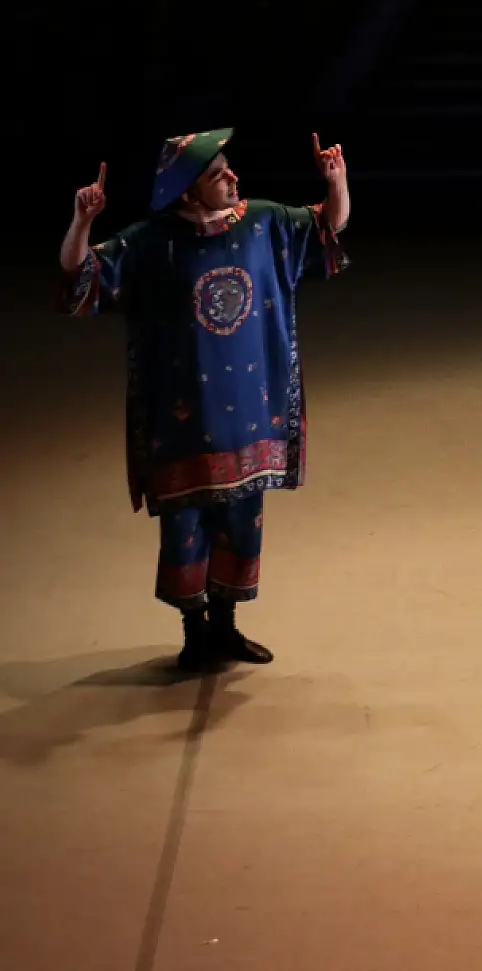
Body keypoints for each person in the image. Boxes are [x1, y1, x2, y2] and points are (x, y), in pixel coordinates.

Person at [59, 129, 350, 672]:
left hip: (250, 418)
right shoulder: (153, 242)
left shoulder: (262, 222)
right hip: (183, 421)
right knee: (185, 528)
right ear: (189, 191)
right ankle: (194, 635)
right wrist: (82, 222)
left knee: (242, 521)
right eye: (218, 174)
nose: (233, 177)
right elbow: (82, 274)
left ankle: (226, 627)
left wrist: (336, 182)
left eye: (229, 168)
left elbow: (327, 226)